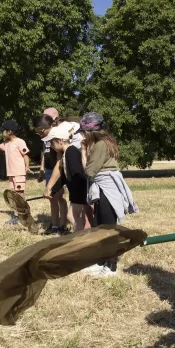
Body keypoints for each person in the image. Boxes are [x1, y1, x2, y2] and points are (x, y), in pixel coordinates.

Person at [81, 112, 137, 276]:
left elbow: (90, 171)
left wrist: (83, 153)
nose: (83, 135)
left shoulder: (101, 145)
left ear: (91, 131)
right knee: (99, 225)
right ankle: (101, 262)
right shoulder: (106, 142)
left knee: (108, 229)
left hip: (106, 188)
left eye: (84, 132)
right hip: (103, 188)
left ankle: (111, 266)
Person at [43, 122, 93, 232]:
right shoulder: (66, 153)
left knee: (72, 216)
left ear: (60, 141)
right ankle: (85, 235)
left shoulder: (71, 152)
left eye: (52, 142)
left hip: (79, 193)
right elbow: (65, 178)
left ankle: (81, 237)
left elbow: (77, 175)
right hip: (78, 193)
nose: (51, 146)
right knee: (82, 217)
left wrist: (76, 196)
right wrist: (53, 191)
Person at [34, 108, 78, 235]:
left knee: (72, 202)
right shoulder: (52, 135)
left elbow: (59, 164)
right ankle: (56, 225)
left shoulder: (60, 133)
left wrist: (49, 187)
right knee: (55, 198)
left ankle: (66, 227)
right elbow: (56, 159)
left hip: (70, 170)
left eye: (40, 131)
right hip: (56, 169)